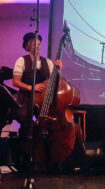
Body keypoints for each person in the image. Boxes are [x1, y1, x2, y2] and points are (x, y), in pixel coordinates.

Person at [12, 32, 62, 166]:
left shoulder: (48, 62)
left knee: (48, 124)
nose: (38, 47)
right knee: (27, 125)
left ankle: (47, 158)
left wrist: (58, 70)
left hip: (44, 100)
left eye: (39, 44)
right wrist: (31, 87)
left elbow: (54, 81)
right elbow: (15, 82)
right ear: (28, 46)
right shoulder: (22, 61)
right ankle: (26, 157)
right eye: (34, 44)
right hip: (28, 98)